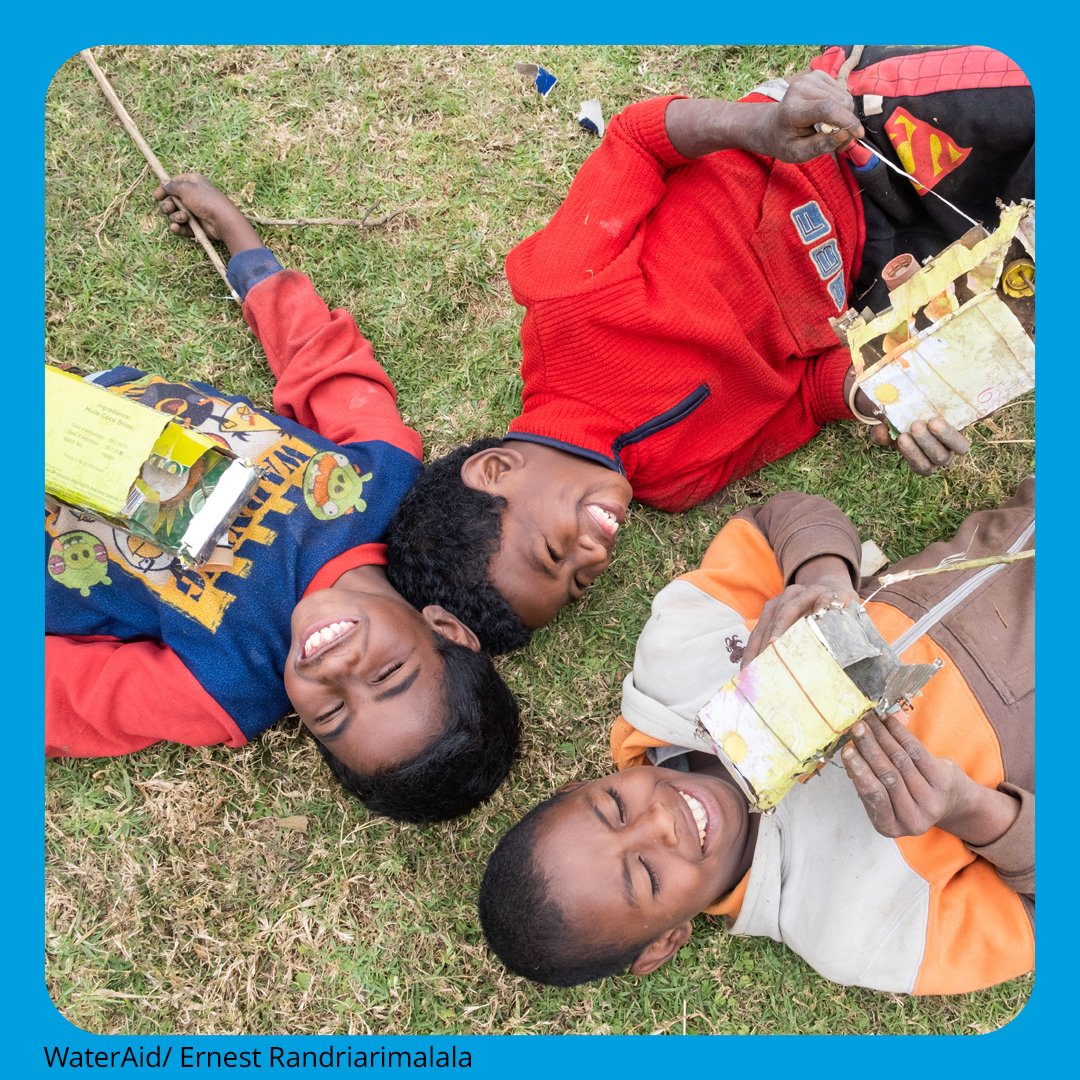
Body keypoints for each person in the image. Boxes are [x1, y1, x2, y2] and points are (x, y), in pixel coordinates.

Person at [384, 45, 1034, 654]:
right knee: (1028, 283)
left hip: (844, 140)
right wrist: (886, 397)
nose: (593, 557)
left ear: (496, 470)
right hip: (883, 266)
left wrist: (760, 129)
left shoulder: (565, 304)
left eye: (556, 553)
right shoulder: (675, 483)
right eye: (579, 583)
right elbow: (809, 395)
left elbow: (639, 140)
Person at [46, 175, 520, 824]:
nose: (337, 672)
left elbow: (73, 697)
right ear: (443, 629)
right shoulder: (385, 487)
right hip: (63, 406)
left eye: (329, 712)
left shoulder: (228, 686)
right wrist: (243, 246)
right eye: (386, 676)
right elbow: (324, 363)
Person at [478, 478, 1033, 993]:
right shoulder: (863, 935)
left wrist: (823, 584)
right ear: (664, 942)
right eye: (646, 874)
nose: (659, 822)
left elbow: (775, 519)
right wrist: (973, 812)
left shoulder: (675, 659)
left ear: (581, 784)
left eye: (614, 809)